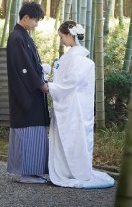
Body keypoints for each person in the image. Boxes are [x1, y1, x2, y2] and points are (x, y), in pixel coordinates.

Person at [47, 20, 114, 189]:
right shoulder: (77, 57)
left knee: (74, 137)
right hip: (78, 105)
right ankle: (72, 170)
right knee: (77, 138)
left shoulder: (78, 59)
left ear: (70, 35)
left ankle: (72, 171)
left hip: (74, 106)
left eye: (62, 36)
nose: (61, 40)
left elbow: (71, 82)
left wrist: (50, 87)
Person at [6, 1, 49, 184]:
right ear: (26, 18)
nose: (36, 24)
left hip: (29, 92)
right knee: (29, 129)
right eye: (36, 20)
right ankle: (27, 173)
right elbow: (24, 67)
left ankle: (32, 171)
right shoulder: (17, 37)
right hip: (25, 94)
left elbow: (32, 64)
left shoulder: (23, 36)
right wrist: (40, 84)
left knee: (34, 130)